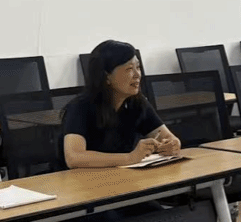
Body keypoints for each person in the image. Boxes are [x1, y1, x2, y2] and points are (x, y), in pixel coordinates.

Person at [62, 39, 181, 169]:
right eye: (129, 69)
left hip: (122, 176)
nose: (137, 75)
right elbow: (74, 158)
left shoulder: (137, 102)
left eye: (138, 67)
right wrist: (130, 158)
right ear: (106, 76)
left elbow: (167, 137)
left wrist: (173, 144)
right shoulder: (80, 107)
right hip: (82, 179)